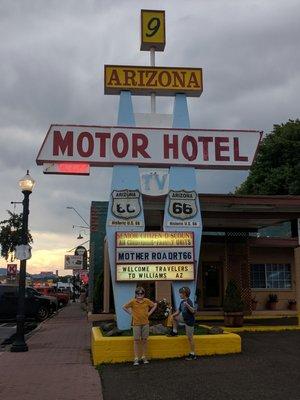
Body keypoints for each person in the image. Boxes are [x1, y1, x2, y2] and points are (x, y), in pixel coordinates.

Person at [123, 286, 157, 366]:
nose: (140, 295)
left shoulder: (147, 301)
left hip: (145, 323)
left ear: (143, 294)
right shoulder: (133, 301)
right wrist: (131, 314)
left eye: (141, 293)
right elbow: (124, 307)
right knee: (136, 340)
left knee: (145, 340)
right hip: (136, 324)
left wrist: (149, 313)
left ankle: (144, 357)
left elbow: (154, 305)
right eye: (138, 293)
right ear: (135, 294)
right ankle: (136, 358)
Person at [168, 286, 196, 360]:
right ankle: (175, 331)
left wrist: (188, 306)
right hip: (184, 318)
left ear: (185, 294)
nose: (180, 295)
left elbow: (193, 311)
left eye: (181, 293)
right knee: (174, 317)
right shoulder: (182, 302)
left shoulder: (189, 301)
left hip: (189, 321)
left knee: (190, 338)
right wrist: (172, 315)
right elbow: (178, 311)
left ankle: (192, 354)